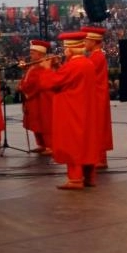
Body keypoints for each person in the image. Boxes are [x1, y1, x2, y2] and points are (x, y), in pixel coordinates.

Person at [42, 32, 101, 190]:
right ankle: (89, 177)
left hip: (72, 110)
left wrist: (47, 69)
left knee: (73, 144)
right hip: (85, 109)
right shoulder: (87, 63)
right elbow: (68, 79)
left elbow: (51, 83)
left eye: (65, 48)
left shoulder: (73, 66)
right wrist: (57, 67)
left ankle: (75, 179)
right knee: (86, 143)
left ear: (69, 49)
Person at [17, 39, 54, 155]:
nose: (30, 55)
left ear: (40, 54)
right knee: (36, 123)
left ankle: (50, 146)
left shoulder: (43, 66)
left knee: (44, 122)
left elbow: (36, 83)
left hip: (41, 99)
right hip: (34, 99)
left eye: (33, 53)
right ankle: (41, 144)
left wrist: (22, 87)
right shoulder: (34, 65)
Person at [82, 26, 112, 168]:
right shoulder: (97, 56)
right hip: (98, 95)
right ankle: (99, 157)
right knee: (98, 126)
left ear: (94, 42)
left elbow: (85, 74)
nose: (84, 43)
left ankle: (100, 158)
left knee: (98, 127)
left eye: (86, 41)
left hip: (97, 96)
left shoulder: (96, 57)